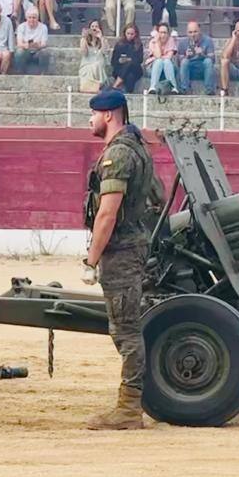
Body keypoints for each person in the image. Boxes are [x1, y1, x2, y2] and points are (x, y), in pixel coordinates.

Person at [81, 89, 157, 431]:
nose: (91, 120)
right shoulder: (138, 147)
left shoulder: (118, 155)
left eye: (94, 113)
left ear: (109, 115)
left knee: (125, 331)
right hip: (134, 245)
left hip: (121, 251)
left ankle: (128, 409)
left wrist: (91, 259)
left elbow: (107, 214)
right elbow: (157, 196)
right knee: (126, 328)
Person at [177, 20, 216, 95]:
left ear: (200, 31)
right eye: (190, 32)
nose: (193, 35)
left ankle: (209, 90)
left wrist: (202, 54)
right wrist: (186, 56)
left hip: (202, 68)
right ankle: (184, 88)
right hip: (190, 69)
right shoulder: (182, 42)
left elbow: (213, 60)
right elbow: (179, 63)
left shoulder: (208, 40)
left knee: (208, 61)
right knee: (184, 62)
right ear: (187, 33)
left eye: (195, 32)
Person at [14, 7, 51, 74]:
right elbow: (19, 43)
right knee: (19, 52)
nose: (32, 20)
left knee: (45, 52)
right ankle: (20, 72)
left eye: (34, 17)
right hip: (25, 50)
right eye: (29, 17)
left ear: (37, 18)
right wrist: (27, 45)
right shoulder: (21, 27)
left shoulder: (43, 27)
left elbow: (44, 44)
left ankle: (44, 73)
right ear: (26, 18)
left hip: (38, 51)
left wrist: (38, 45)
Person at [144, 23, 178, 95]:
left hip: (168, 68)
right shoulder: (152, 42)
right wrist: (156, 42)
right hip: (152, 68)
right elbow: (158, 56)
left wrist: (161, 58)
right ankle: (153, 87)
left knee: (166, 62)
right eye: (161, 32)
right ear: (157, 33)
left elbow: (169, 57)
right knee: (159, 61)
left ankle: (173, 88)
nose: (163, 35)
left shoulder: (171, 40)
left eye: (165, 33)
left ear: (168, 34)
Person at [78, 19, 109, 93]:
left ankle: (94, 87)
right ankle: (94, 87)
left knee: (97, 65)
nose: (94, 28)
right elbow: (84, 53)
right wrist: (84, 38)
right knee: (92, 68)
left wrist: (101, 38)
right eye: (92, 26)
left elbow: (105, 52)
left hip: (99, 65)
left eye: (96, 26)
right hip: (87, 64)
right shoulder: (84, 40)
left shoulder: (103, 40)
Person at [111, 24, 143, 93]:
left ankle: (117, 83)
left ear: (135, 34)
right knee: (129, 77)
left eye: (132, 34)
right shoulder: (119, 44)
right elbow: (113, 61)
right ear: (125, 33)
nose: (130, 36)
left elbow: (140, 60)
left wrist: (129, 60)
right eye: (128, 33)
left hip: (135, 69)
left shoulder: (138, 45)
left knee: (130, 64)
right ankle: (128, 92)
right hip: (120, 68)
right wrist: (119, 61)